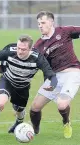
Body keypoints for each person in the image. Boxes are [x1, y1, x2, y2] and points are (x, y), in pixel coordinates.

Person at [0, 34, 58, 142]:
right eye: (18, 48)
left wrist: (52, 85)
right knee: (0, 103)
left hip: (23, 87)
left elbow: (52, 75)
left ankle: (19, 122)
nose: (19, 51)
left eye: (23, 49)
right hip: (7, 81)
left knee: (19, 110)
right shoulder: (9, 51)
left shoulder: (38, 58)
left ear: (30, 49)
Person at [29, 11, 80, 139]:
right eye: (38, 23)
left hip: (72, 73)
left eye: (43, 22)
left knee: (61, 105)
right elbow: (33, 65)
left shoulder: (64, 31)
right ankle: (34, 131)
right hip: (54, 78)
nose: (40, 26)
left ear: (51, 22)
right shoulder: (38, 45)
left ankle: (66, 122)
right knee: (34, 108)